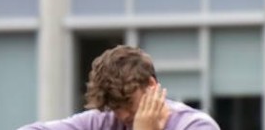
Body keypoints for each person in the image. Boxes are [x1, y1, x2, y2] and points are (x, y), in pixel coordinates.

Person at [19, 46, 219, 130]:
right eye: (115, 106)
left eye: (127, 102)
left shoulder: (195, 126)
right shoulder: (105, 121)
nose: (122, 115)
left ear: (151, 85)